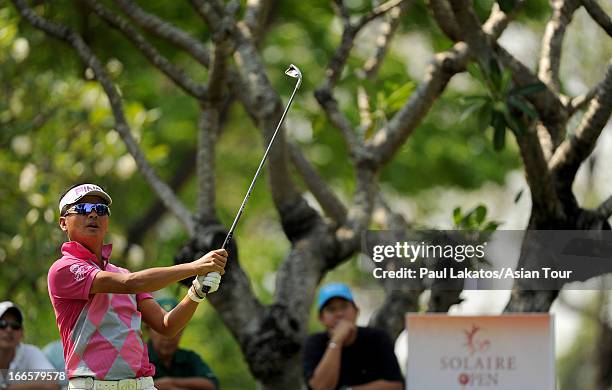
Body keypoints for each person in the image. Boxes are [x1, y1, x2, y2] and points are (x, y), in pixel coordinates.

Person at [48, 183, 227, 390]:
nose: (93, 215)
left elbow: (166, 326)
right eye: (83, 209)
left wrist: (196, 291)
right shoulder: (63, 270)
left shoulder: (122, 273)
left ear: (107, 221)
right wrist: (195, 267)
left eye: (100, 210)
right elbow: (131, 283)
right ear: (63, 222)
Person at [303, 283, 404, 390]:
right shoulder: (314, 343)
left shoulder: (377, 338)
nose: (339, 314)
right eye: (331, 309)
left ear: (356, 311)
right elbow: (319, 387)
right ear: (321, 318)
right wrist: (336, 342)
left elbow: (396, 385)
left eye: (344, 307)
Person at [147, 298, 219, 390]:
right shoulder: (137, 358)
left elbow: (211, 384)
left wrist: (170, 382)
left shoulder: (188, 357)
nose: (168, 337)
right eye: (161, 329)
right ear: (147, 329)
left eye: (175, 329)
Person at [0, 301, 60, 390]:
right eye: (2, 324)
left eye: (15, 326)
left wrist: (8, 388)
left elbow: (52, 383)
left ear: (22, 333)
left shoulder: (30, 352)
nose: (9, 330)